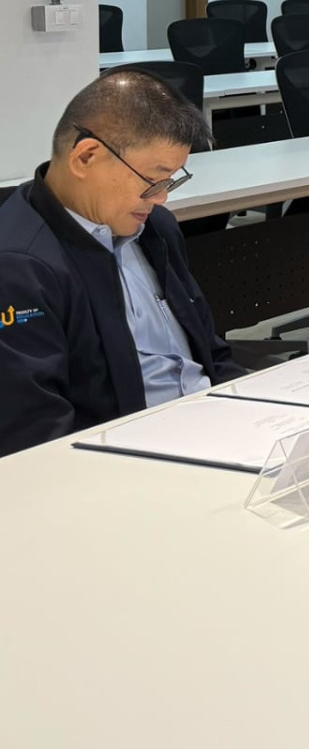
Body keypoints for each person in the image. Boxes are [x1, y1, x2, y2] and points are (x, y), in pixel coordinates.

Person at [0, 71, 245, 459]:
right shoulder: (18, 267)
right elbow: (37, 438)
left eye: (171, 181)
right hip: (129, 458)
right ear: (86, 157)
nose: (161, 198)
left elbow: (210, 354)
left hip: (213, 427)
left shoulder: (154, 229)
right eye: (154, 180)